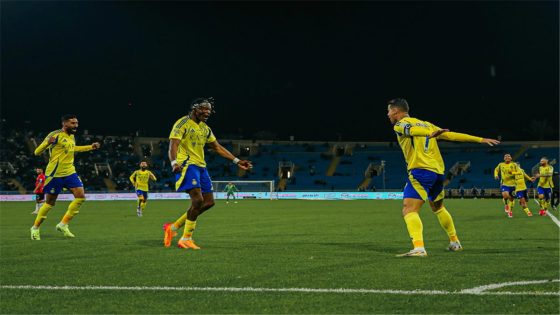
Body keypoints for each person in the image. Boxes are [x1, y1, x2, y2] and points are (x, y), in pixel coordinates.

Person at [387, 98, 499, 257]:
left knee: (409, 209)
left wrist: (430, 134)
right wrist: (479, 139)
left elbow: (411, 131)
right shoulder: (426, 123)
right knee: (438, 208)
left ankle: (419, 248)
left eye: (389, 111)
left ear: (396, 111)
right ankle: (455, 242)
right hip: (438, 173)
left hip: (421, 171)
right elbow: (451, 135)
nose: (388, 114)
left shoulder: (401, 124)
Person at [163, 98, 252, 250]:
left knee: (209, 202)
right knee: (197, 200)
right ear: (194, 108)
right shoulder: (182, 123)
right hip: (187, 165)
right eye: (203, 109)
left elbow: (217, 147)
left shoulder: (205, 128)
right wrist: (174, 162)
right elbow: (173, 144)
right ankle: (186, 239)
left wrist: (237, 161)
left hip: (201, 167)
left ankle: (172, 228)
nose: (207, 112)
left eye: (209, 110)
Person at [30, 114, 101, 240]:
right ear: (65, 124)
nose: (76, 126)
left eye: (77, 123)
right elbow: (37, 152)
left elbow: (73, 149)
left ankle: (63, 224)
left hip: (70, 172)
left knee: (80, 197)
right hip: (54, 174)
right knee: (49, 204)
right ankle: (35, 228)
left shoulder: (72, 136)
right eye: (73, 123)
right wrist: (47, 143)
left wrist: (91, 147)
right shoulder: (55, 134)